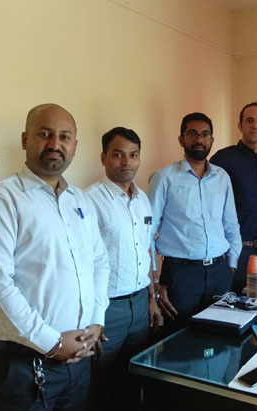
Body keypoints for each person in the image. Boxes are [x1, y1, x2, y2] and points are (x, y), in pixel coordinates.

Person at [0, 104, 110, 410]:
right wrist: (53, 342)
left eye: (64, 137)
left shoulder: (79, 200)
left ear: (74, 146)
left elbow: (99, 263)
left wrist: (96, 320)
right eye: (45, 134)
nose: (55, 144)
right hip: (24, 367)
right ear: (25, 139)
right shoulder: (1, 199)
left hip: (79, 362)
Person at [85, 127, 162, 410]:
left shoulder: (142, 198)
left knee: (132, 380)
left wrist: (152, 298)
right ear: (104, 157)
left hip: (140, 304)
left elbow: (147, 250)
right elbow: (83, 262)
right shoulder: (88, 200)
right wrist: (91, 317)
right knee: (101, 385)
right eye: (118, 155)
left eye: (133, 155)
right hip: (107, 310)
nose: (126, 162)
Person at [148, 112, 242, 331]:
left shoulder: (222, 177)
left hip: (220, 272)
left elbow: (231, 225)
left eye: (205, 134)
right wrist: (154, 281)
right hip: (180, 276)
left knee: (220, 337)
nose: (199, 139)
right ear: (181, 139)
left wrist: (232, 266)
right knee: (180, 341)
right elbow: (147, 232)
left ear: (211, 140)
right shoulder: (164, 178)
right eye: (192, 134)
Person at [210, 102, 257, 293]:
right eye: (249, 121)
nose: (255, 126)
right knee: (233, 308)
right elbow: (209, 202)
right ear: (240, 126)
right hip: (235, 250)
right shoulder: (223, 158)